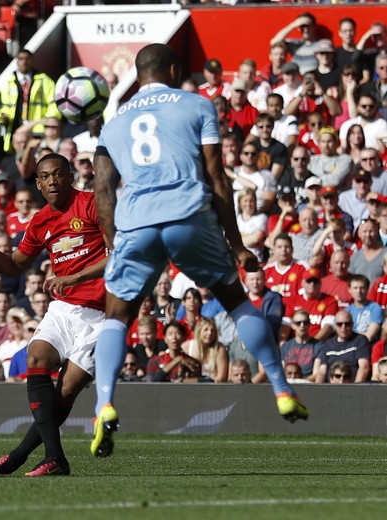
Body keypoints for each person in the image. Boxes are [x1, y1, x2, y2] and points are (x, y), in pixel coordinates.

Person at [91, 44, 308, 460]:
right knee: (235, 301)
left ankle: (104, 404)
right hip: (187, 217)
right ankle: (281, 389)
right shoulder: (198, 104)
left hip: (135, 223)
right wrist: (237, 243)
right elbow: (216, 177)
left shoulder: (114, 122)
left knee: (116, 317)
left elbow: (102, 189)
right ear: (173, 69)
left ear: (138, 76)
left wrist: (114, 242)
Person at [0, 153, 107, 477]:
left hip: (103, 314)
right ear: (37, 184)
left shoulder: (93, 204)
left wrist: (73, 278)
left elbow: (120, 254)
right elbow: (15, 264)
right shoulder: (41, 221)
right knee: (36, 356)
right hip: (63, 308)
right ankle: (54, 458)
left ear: (70, 176)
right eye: (45, 177)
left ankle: (19, 456)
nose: (52, 181)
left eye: (58, 174)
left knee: (64, 393)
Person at [312, 309, 371, 383]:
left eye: (347, 324)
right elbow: (322, 371)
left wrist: (356, 390)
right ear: (335, 325)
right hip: (331, 387)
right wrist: (318, 390)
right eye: (340, 324)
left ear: (352, 325)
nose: (343, 327)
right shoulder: (327, 344)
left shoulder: (360, 340)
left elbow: (364, 367)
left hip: (351, 386)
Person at [281, 309, 317, 380]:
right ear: (293, 325)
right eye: (298, 323)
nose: (302, 325)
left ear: (309, 324)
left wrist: (301, 383)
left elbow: (316, 374)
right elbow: (282, 371)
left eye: (305, 322)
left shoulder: (318, 345)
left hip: (308, 385)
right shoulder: (285, 346)